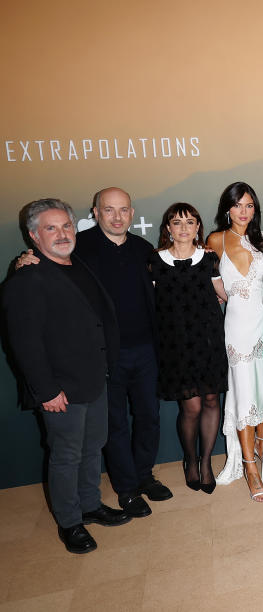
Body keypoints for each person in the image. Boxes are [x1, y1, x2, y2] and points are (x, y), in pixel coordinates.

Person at [16, 187, 171, 517]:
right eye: (109, 210)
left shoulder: (144, 250)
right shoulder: (77, 249)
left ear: (132, 214)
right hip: (105, 359)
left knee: (149, 418)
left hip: (145, 351)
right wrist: (24, 259)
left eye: (123, 210)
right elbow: (29, 328)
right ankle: (126, 489)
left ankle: (144, 477)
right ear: (95, 213)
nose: (117, 217)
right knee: (112, 427)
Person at [4, 199, 129, 554]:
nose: (62, 234)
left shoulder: (78, 265)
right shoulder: (28, 278)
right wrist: (46, 390)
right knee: (66, 456)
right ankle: (70, 522)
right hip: (60, 390)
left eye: (66, 226)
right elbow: (24, 342)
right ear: (33, 236)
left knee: (93, 448)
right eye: (51, 228)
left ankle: (89, 505)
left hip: (94, 379)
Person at [148, 203, 228, 495]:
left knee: (210, 400)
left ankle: (205, 462)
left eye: (190, 222)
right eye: (177, 222)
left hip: (209, 342)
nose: (184, 228)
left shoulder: (209, 259)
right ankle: (190, 459)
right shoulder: (155, 262)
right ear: (167, 228)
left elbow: (225, 294)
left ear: (198, 228)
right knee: (190, 406)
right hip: (176, 345)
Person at [209, 182, 263, 502]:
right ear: (228, 208)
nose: (244, 211)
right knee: (242, 394)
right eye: (238, 205)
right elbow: (216, 289)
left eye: (250, 205)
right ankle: (250, 466)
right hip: (237, 329)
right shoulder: (215, 240)